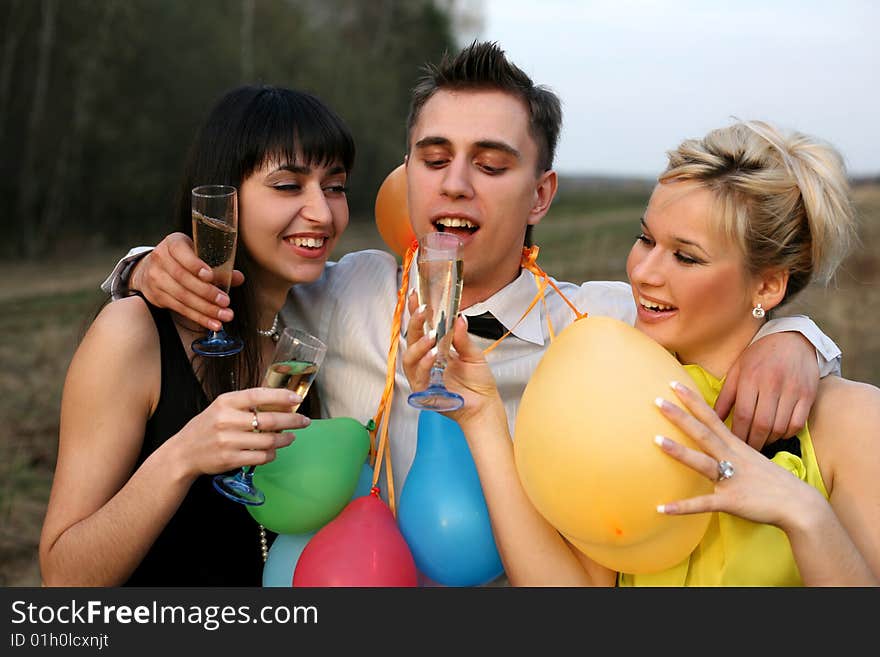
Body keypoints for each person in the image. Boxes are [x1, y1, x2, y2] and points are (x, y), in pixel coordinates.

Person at [102, 41, 839, 518]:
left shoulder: (605, 321)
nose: (455, 185)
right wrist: (140, 264)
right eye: (433, 158)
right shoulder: (342, 291)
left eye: (490, 165)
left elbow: (731, 314)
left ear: (541, 194)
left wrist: (798, 339)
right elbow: (244, 277)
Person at [403, 120, 880, 586]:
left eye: (685, 256)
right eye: (646, 239)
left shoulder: (853, 421)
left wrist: (806, 515)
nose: (644, 272)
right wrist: (482, 417)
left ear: (769, 284)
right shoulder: (614, 398)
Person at [39, 85, 355, 586]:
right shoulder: (134, 334)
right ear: (223, 202)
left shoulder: (303, 338)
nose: (322, 212)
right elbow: (63, 576)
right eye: (288, 185)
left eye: (334, 186)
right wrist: (184, 455)